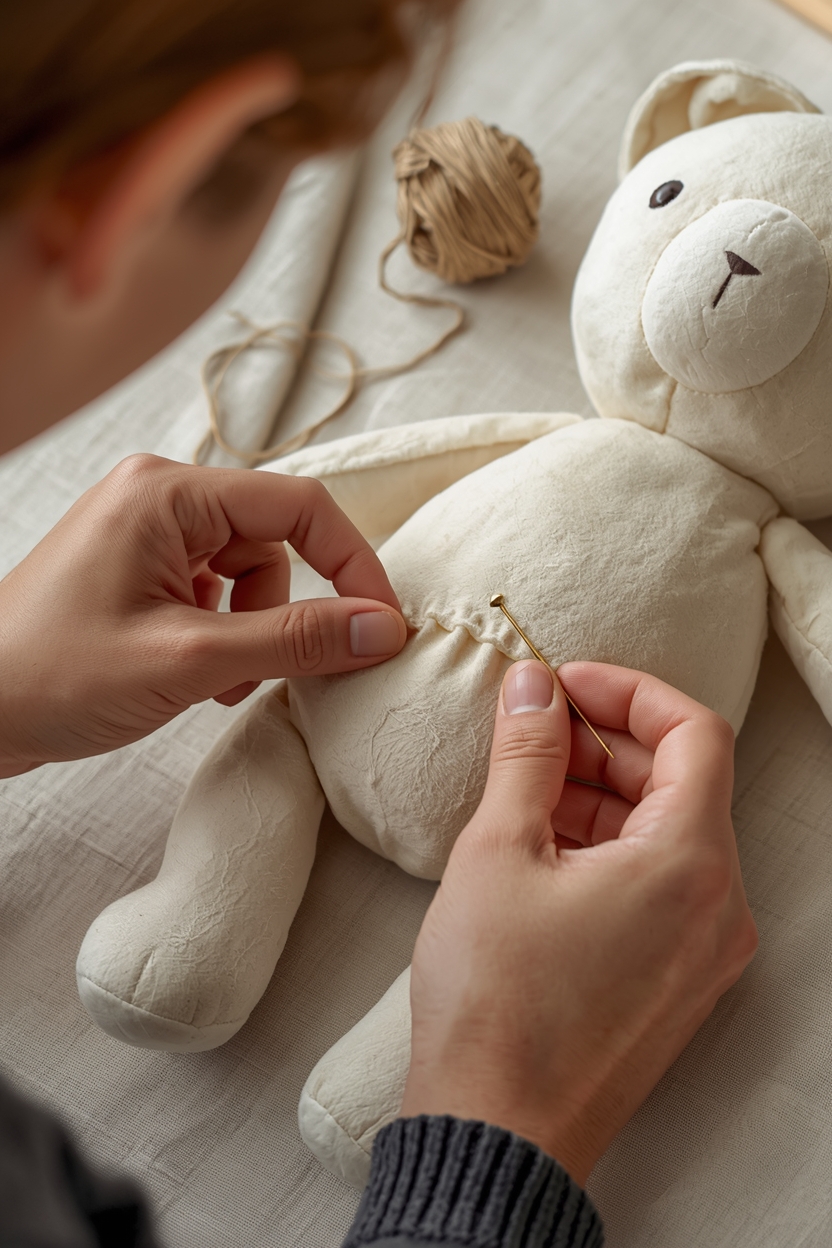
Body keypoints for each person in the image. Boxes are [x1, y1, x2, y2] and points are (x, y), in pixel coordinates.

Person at [0, 3, 758, 1245]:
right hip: (378, 732)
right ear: (162, 177)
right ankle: (235, 956)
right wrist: (498, 1134)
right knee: (281, 743)